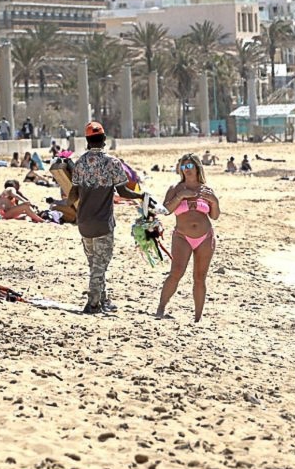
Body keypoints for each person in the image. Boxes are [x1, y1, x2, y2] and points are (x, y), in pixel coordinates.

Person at [69, 121, 139, 315]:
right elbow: (124, 191)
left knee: (95, 263)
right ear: (104, 139)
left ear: (87, 141)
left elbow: (72, 195)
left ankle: (104, 299)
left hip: (83, 222)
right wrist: (141, 197)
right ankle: (92, 303)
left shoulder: (80, 163)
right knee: (100, 264)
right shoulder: (112, 163)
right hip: (102, 222)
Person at [155, 153, 220, 322]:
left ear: (197, 168)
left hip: (205, 237)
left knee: (200, 278)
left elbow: (214, 216)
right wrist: (180, 196)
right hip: (182, 237)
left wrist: (214, 201)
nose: (186, 170)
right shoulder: (175, 188)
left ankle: (197, 318)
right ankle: (161, 308)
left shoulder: (206, 190)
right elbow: (166, 210)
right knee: (176, 272)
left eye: (190, 166)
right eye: (183, 167)